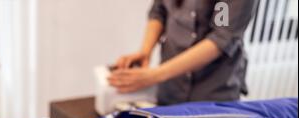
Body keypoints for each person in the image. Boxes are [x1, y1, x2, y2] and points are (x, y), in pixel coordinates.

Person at [108, 0, 259, 105]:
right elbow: (159, 10)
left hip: (210, 94)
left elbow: (220, 37)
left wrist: (155, 75)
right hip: (170, 90)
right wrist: (145, 52)